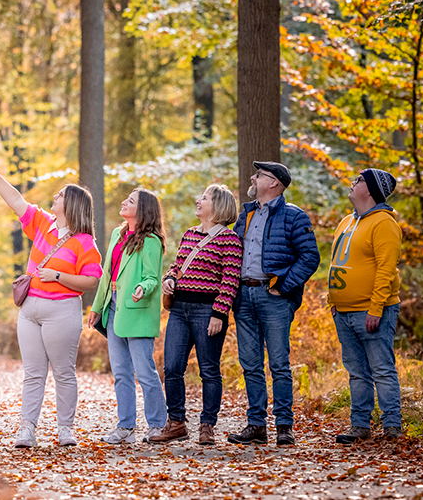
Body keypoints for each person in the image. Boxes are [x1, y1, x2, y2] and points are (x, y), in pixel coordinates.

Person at [0, 152, 103, 448]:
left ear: (71, 205)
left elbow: (91, 280)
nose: (54, 198)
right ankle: (26, 429)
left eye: (59, 196)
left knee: (63, 372)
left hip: (62, 311)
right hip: (30, 309)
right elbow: (16, 200)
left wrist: (58, 276)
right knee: (33, 373)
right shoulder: (43, 223)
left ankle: (65, 429)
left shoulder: (85, 242)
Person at [227, 161, 320, 447]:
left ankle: (284, 426)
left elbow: (310, 257)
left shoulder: (294, 216)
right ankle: (256, 425)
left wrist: (283, 285)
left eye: (260, 175)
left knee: (279, 363)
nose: (253, 177)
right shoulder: (246, 214)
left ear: (275, 184)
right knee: (250, 364)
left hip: (274, 298)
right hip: (244, 297)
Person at [150, 184, 242, 446]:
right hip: (179, 309)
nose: (198, 200)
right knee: (172, 367)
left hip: (207, 311)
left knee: (209, 370)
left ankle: (207, 425)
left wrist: (219, 313)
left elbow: (230, 280)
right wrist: (169, 279)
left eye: (205, 198)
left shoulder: (229, 239)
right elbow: (176, 267)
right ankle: (177, 422)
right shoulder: (190, 234)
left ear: (219, 206)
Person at [328, 168, 403, 444]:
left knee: (381, 369)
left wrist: (376, 308)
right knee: (357, 372)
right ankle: (360, 425)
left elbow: (386, 269)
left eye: (358, 180)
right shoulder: (347, 221)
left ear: (370, 190)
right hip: (343, 312)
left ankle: (392, 426)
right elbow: (335, 262)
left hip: (372, 312)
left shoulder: (384, 223)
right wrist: (332, 301)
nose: (352, 183)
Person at [87, 189, 167, 443]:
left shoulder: (151, 240)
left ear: (143, 210)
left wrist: (143, 288)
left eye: (130, 201)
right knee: (121, 373)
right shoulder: (117, 234)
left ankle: (156, 425)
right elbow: (107, 274)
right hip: (113, 310)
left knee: (145, 372)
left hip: (137, 311)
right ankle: (126, 427)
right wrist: (97, 307)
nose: (124, 202)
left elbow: (152, 277)